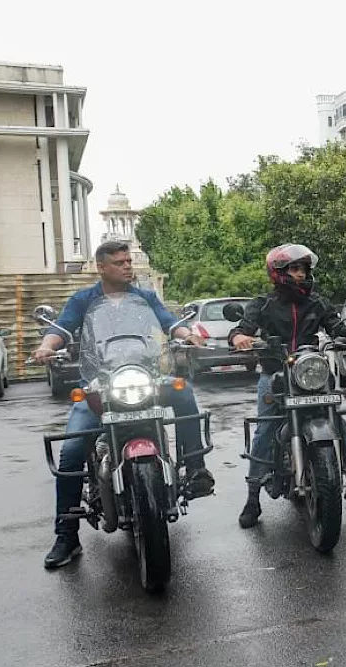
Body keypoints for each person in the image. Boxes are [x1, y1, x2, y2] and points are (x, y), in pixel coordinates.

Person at [31, 241, 213, 569]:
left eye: (129, 261)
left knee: (184, 392)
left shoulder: (144, 296)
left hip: (145, 379)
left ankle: (196, 467)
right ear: (101, 267)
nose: (127, 267)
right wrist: (47, 346)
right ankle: (66, 535)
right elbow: (60, 330)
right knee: (72, 450)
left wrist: (188, 334)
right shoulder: (83, 300)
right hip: (102, 384)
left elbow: (170, 322)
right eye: (119, 262)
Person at [229, 244, 346, 527]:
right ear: (279, 273)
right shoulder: (263, 304)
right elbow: (243, 328)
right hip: (275, 374)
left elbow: (336, 326)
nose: (301, 274)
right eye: (295, 269)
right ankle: (253, 495)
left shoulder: (316, 303)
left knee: (338, 423)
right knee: (266, 428)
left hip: (311, 375)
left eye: (304, 269)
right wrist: (238, 338)